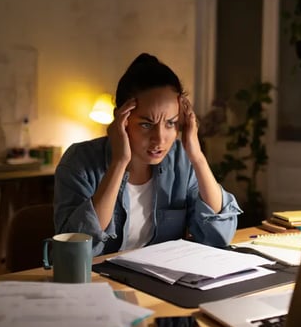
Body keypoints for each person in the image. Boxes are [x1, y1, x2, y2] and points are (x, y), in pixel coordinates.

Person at [54, 53, 241, 256]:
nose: (159, 139)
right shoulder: (79, 161)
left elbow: (219, 236)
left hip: (161, 274)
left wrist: (197, 157)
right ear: (121, 120)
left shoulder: (180, 159)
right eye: (146, 124)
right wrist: (119, 162)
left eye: (170, 123)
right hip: (97, 275)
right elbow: (73, 251)